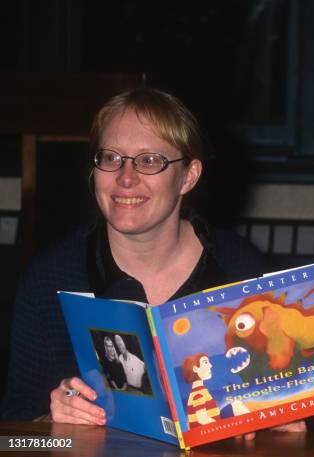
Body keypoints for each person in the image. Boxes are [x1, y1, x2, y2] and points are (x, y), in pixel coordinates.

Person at [0, 88, 265, 425]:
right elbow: (14, 436)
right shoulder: (49, 279)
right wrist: (49, 425)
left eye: (149, 160)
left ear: (188, 176)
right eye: (111, 158)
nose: (126, 177)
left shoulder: (241, 270)